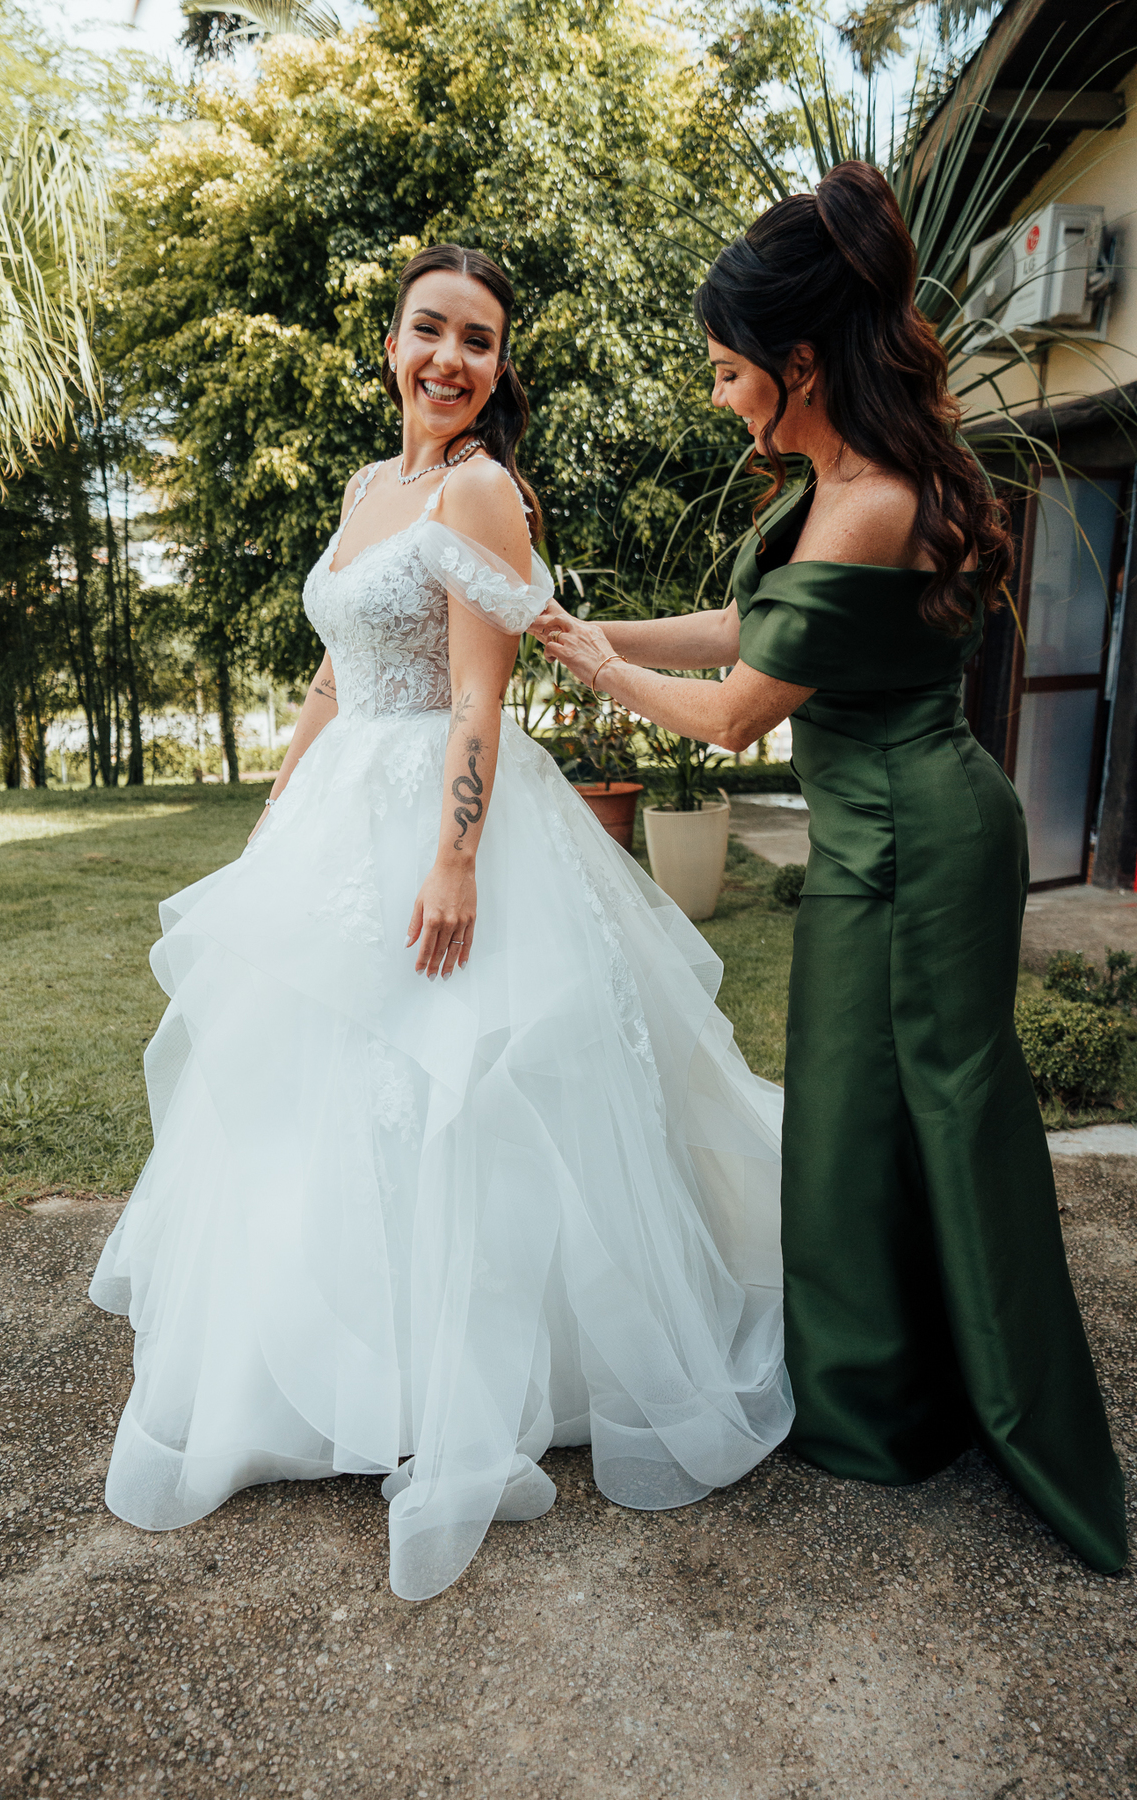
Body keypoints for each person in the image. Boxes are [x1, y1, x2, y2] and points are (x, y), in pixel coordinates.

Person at [89, 243, 793, 1603]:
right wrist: (277, 806)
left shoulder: (480, 491)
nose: (450, 359)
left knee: (455, 1086)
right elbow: (333, 669)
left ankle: (465, 1381)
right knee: (319, 1089)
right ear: (392, 343)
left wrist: (456, 859)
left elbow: (481, 694)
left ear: (498, 364)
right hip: (339, 815)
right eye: (430, 330)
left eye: (478, 340)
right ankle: (328, 1367)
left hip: (442, 813)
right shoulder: (371, 488)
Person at [531, 164, 1127, 1574]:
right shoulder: (836, 486)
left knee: (920, 1116)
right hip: (889, 828)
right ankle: (886, 1388)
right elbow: (746, 626)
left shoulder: (869, 500)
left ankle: (951, 1403)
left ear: (799, 363)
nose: (722, 395)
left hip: (917, 838)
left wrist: (600, 672)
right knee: (857, 1118)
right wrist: (580, 629)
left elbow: (740, 711)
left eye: (731, 371)